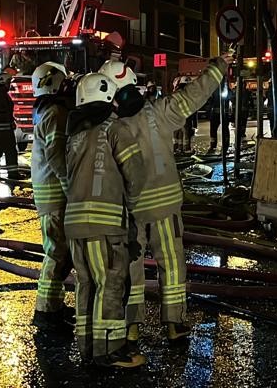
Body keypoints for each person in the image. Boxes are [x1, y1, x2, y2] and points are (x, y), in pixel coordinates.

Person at [100, 51, 231, 345]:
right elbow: (196, 93)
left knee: (130, 269)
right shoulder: (160, 112)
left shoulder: (110, 128)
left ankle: (131, 328)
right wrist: (219, 65)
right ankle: (174, 324)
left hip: (131, 211)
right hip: (166, 209)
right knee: (171, 266)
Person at [65, 73, 147, 368]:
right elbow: (136, 175)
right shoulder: (116, 128)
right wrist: (133, 216)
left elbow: (67, 178)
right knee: (110, 284)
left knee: (85, 285)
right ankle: (111, 350)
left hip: (74, 224)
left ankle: (87, 347)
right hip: (107, 225)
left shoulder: (74, 134)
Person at [29, 62, 75, 331]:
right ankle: (45, 311)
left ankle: (53, 305)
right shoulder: (56, 112)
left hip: (51, 193)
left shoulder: (46, 110)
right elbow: (57, 156)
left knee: (60, 252)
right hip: (55, 195)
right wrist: (73, 188)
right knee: (57, 253)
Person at [207, 83, 230, 154]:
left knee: (223, 130)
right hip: (217, 114)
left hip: (221, 114)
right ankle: (214, 146)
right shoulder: (215, 89)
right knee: (215, 131)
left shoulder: (223, 90)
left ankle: (222, 146)